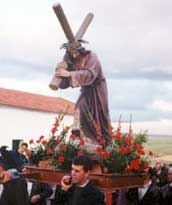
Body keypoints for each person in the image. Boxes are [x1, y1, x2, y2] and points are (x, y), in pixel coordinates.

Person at [55, 42, 110, 145]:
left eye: (75, 51)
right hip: (86, 89)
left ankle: (94, 140)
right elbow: (65, 82)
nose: (73, 55)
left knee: (98, 113)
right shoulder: (73, 61)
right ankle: (80, 136)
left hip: (97, 89)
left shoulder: (91, 57)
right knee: (80, 108)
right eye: (70, 52)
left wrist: (69, 74)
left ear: (80, 49)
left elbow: (90, 74)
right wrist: (60, 73)